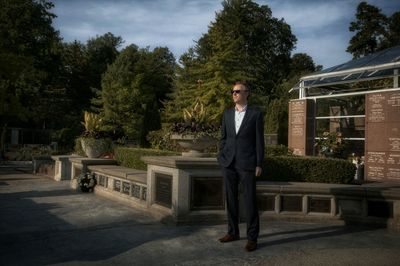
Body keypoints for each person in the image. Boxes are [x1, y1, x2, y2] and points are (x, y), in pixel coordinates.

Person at [217, 81, 264, 252]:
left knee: (250, 200)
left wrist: (259, 163)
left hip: (247, 163)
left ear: (246, 93)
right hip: (228, 163)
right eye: (232, 91)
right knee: (231, 199)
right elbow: (223, 138)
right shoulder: (227, 114)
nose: (234, 94)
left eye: (237, 91)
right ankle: (233, 232)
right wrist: (221, 156)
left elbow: (259, 141)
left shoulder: (255, 114)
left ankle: (252, 238)